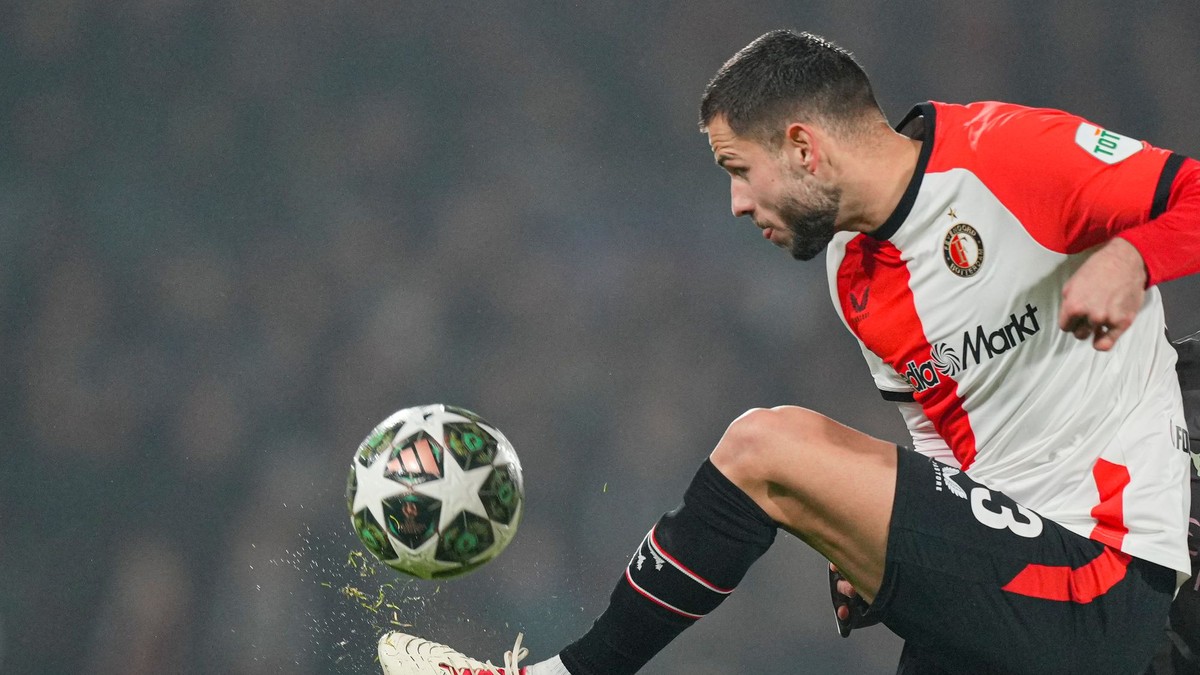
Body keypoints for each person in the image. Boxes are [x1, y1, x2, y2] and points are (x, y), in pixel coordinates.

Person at [376, 29, 1200, 674]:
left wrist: (1131, 257)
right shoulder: (854, 273)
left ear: (805, 148)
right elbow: (943, 439)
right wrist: (893, 542)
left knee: (766, 446)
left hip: (1102, 578)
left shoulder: (1008, 155)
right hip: (1014, 580)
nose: (737, 204)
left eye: (739, 169)